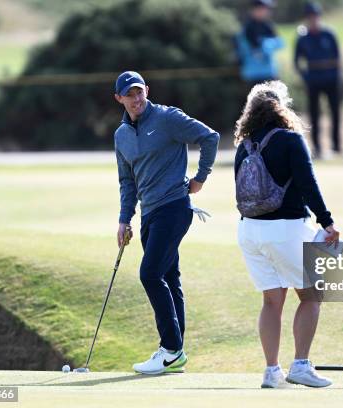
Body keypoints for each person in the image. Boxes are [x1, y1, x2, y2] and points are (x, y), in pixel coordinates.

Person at [234, 80, 340, 388]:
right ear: (282, 107)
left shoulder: (244, 145)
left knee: (272, 301)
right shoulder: (291, 140)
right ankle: (301, 366)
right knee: (311, 294)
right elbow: (309, 185)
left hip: (249, 231)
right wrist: (327, 221)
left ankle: (271, 371)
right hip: (286, 229)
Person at [113, 71, 219, 374]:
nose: (136, 99)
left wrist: (200, 177)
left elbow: (209, 137)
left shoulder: (167, 118)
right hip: (149, 213)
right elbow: (127, 181)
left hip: (174, 207)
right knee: (169, 278)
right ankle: (176, 352)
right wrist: (124, 218)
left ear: (147, 90)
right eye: (129, 94)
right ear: (118, 98)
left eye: (139, 92)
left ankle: (170, 349)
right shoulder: (121, 135)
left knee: (150, 273)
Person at [294, 1, 342, 158]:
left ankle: (336, 146)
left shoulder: (329, 34)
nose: (313, 19)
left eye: (315, 16)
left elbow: (337, 58)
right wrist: (306, 77)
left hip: (330, 79)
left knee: (335, 113)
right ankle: (317, 147)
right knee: (314, 115)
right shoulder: (302, 38)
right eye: (310, 16)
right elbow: (297, 61)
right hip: (313, 80)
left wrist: (335, 75)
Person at [236, 0, 284, 84]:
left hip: (269, 74)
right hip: (252, 75)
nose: (265, 11)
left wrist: (268, 44)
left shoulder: (268, 26)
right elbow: (243, 49)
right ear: (253, 10)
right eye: (261, 9)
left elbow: (280, 43)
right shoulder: (247, 28)